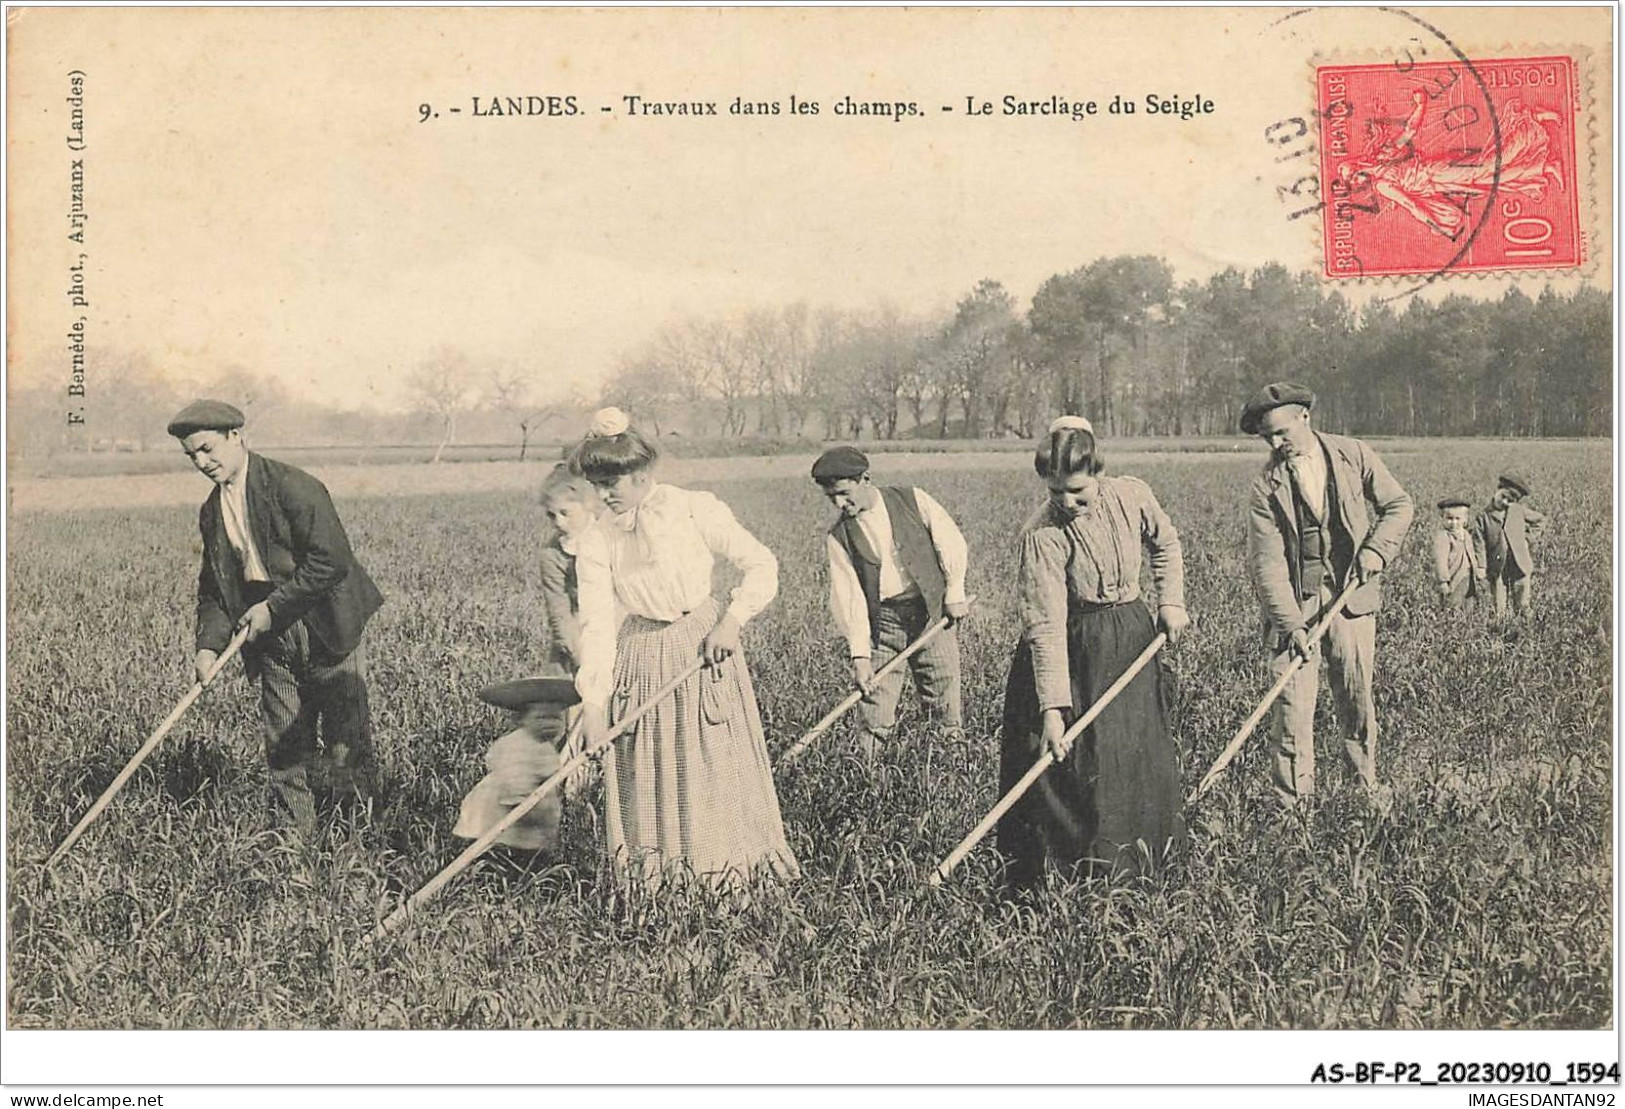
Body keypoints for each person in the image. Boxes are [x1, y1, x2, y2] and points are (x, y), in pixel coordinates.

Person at [570, 407, 798, 887]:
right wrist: (593, 706)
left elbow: (761, 564)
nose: (604, 494)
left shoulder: (694, 507)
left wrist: (732, 621)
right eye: (597, 483)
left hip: (702, 648)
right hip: (642, 657)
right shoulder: (596, 539)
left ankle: (727, 880)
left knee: (711, 764)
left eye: (614, 481)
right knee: (651, 774)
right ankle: (662, 886)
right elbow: (596, 625)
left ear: (644, 472)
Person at [168, 399, 384, 834]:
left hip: (326, 623)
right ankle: (295, 848)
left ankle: (361, 844)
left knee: (346, 747)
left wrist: (273, 608)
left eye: (208, 449)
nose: (202, 462)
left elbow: (331, 562)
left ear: (236, 436)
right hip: (269, 632)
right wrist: (207, 647)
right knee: (285, 745)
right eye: (192, 456)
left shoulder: (293, 487)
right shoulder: (212, 510)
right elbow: (214, 586)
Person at [996, 416, 1190, 887]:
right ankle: (1084, 873)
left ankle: (1147, 862)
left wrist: (1171, 601)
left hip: (1131, 636)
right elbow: (1045, 625)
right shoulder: (1042, 535)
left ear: (1098, 473)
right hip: (1076, 649)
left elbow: (1164, 543)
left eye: (1078, 492)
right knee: (1084, 760)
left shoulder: (1132, 495)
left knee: (1135, 751)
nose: (1067, 503)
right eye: (1055, 492)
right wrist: (1054, 709)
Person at [1241, 382, 1414, 805]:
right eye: (1268, 438)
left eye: (1282, 432)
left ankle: (1363, 789)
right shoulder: (1266, 487)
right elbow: (1268, 564)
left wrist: (1376, 550)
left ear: (1305, 417)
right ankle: (1293, 808)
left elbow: (1399, 505)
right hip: (1296, 608)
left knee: (1355, 698)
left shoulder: (1353, 454)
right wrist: (1291, 624)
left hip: (1352, 601)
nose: (1277, 444)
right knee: (1291, 710)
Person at [810, 446, 970, 761]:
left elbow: (950, 541)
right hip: (882, 627)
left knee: (944, 708)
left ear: (865, 479)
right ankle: (871, 788)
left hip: (930, 616)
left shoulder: (912, 499)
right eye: (832, 499)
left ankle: (948, 778)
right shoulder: (839, 537)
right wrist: (860, 657)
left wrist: (954, 592)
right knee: (874, 717)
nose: (841, 504)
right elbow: (850, 599)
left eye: (844, 493)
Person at [453, 677, 578, 853]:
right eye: (542, 718)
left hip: (530, 817)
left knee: (527, 855)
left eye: (556, 718)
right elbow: (514, 784)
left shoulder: (546, 748)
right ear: (522, 720)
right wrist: (530, 807)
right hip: (499, 817)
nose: (550, 724)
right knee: (497, 855)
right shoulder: (517, 745)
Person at [538, 463, 601, 673]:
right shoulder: (552, 554)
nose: (559, 522)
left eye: (566, 513)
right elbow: (560, 612)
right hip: (576, 636)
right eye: (551, 515)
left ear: (588, 504)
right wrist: (580, 658)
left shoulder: (610, 536)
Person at [1474, 473, 1548, 619]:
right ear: (1497, 490)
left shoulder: (1517, 511)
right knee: (1499, 605)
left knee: (1522, 602)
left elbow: (1540, 520)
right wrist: (1481, 566)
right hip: (1497, 566)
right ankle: (1501, 630)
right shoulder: (1483, 517)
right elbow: (1479, 543)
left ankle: (1526, 628)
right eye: (1504, 496)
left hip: (1519, 563)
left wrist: (1527, 538)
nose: (1505, 502)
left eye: (1511, 500)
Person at [1433, 496, 1486, 609]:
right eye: (1449, 518)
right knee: (1452, 604)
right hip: (1454, 578)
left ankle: (1468, 622)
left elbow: (1473, 553)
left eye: (1458, 519)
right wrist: (1443, 581)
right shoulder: (1444, 537)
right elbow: (1440, 561)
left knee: (1469, 604)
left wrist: (1478, 570)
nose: (1454, 522)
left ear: (1465, 520)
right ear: (1442, 518)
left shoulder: (1466, 535)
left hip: (1469, 577)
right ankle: (1452, 622)